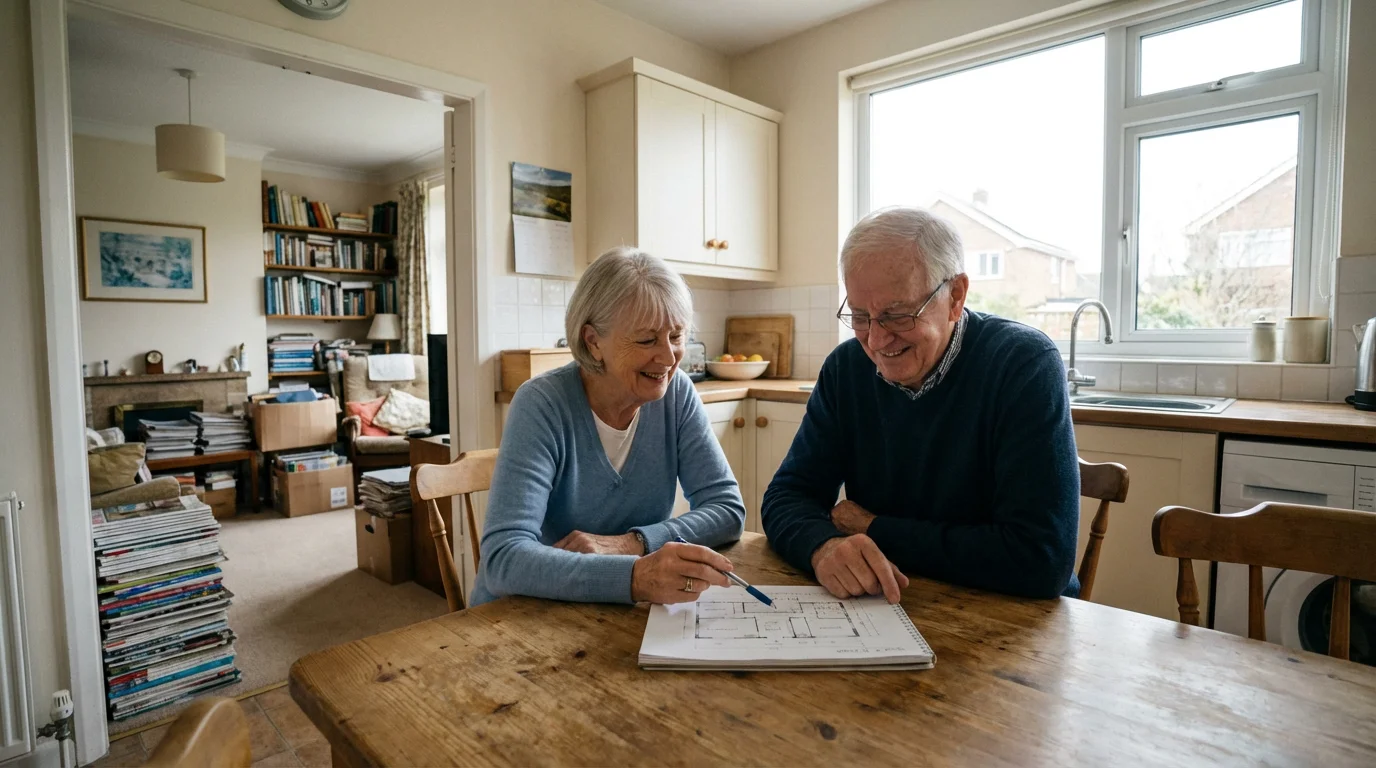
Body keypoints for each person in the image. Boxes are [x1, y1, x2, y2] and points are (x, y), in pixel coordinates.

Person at [762, 207, 1080, 603]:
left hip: (1015, 619)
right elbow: (786, 497)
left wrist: (874, 528)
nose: (876, 341)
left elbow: (1040, 560)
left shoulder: (1023, 365)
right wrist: (822, 546)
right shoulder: (846, 369)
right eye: (860, 316)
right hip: (886, 605)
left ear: (955, 297)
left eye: (897, 315)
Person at [471, 247, 746, 606]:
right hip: (523, 614)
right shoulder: (541, 404)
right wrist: (635, 577)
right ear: (593, 341)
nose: (667, 358)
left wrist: (634, 543)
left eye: (676, 337)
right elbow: (503, 560)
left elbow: (727, 509)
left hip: (610, 611)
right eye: (647, 339)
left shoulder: (676, 393)